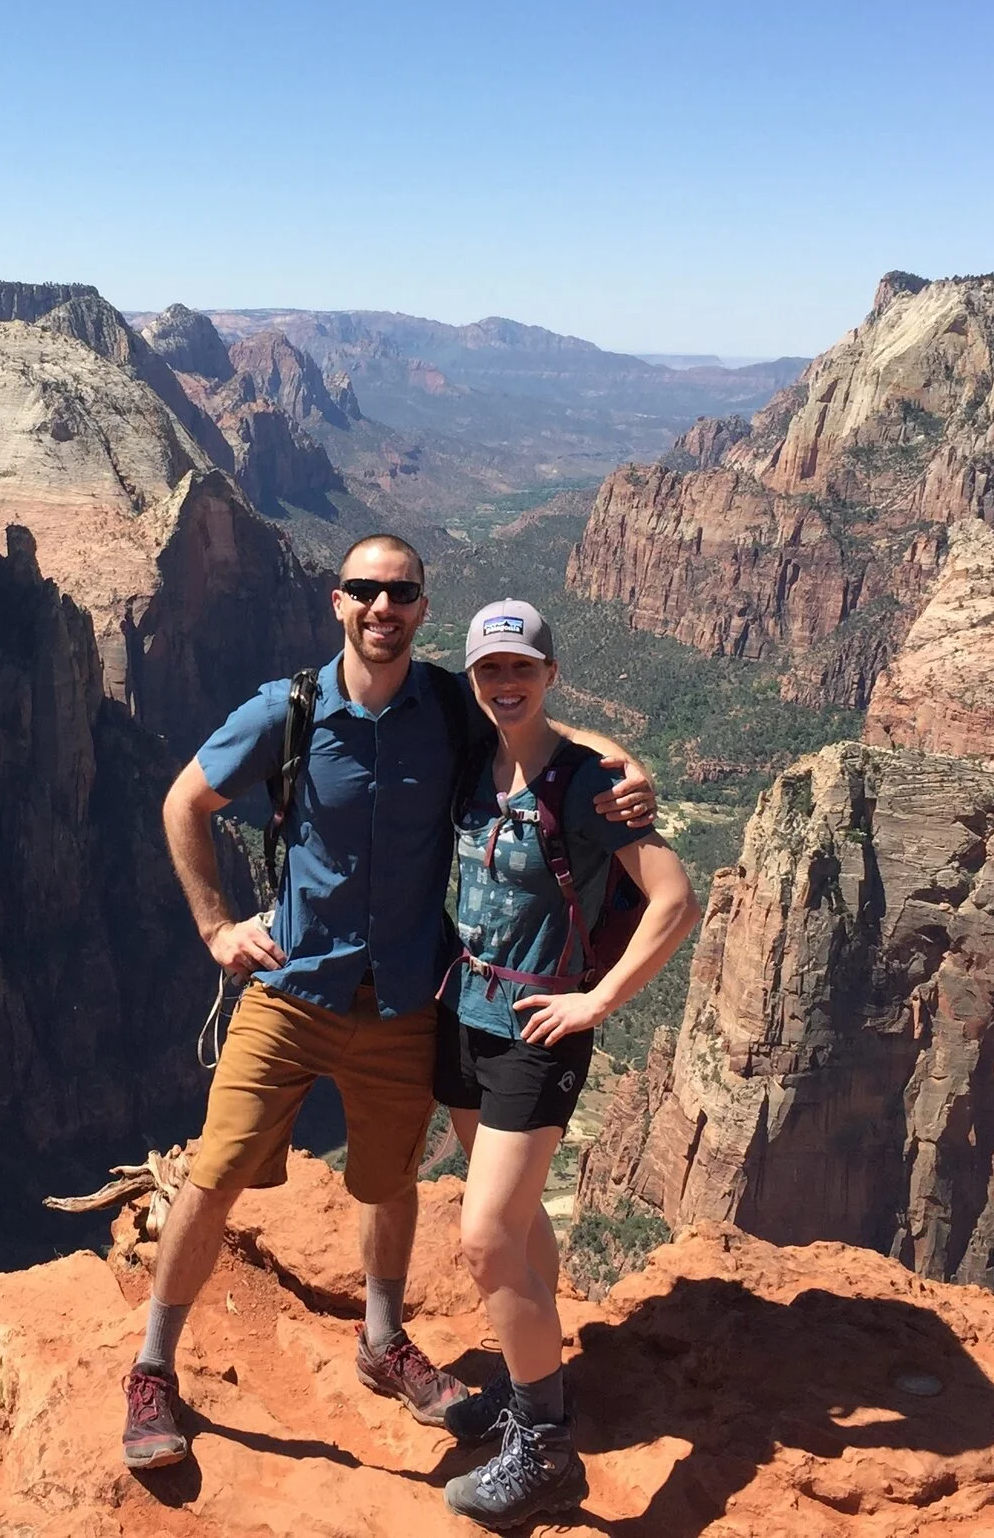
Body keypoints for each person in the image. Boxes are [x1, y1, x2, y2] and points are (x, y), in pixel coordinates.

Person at [124, 535, 657, 1471]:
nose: (383, 606)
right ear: (338, 601)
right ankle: (153, 1368)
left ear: (420, 605)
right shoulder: (287, 710)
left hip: (408, 998)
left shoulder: (449, 706)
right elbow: (184, 803)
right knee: (214, 1172)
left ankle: (382, 1341)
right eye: (365, 590)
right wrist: (215, 927)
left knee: (388, 1181)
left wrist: (622, 762)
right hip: (291, 990)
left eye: (401, 592)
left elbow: (535, 724)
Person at [433, 597, 696, 1530]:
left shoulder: (585, 784)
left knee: (485, 1235)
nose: (505, 682)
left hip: (539, 1030)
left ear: (551, 672)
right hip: (464, 1014)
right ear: (474, 678)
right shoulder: (475, 753)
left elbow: (674, 897)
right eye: (490, 669)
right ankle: (526, 1386)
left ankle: (544, 1449)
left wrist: (597, 1000)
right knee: (518, 1226)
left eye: (523, 667)